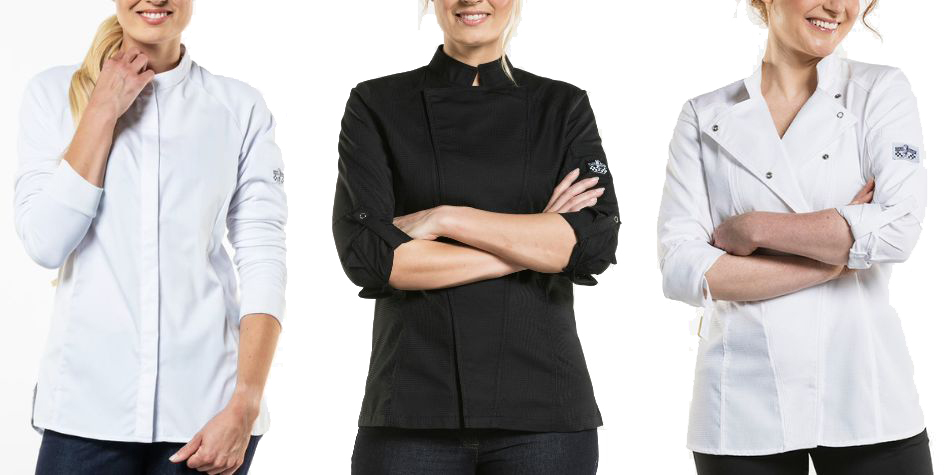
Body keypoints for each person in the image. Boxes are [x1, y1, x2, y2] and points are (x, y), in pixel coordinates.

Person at [332, 0, 620, 473]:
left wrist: (446, 220)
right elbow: (371, 258)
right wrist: (534, 245)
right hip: (412, 406)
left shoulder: (563, 105)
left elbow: (592, 244)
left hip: (544, 411)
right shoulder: (377, 103)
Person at [657, 0, 933, 473]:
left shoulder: (881, 91)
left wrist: (754, 228)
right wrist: (835, 257)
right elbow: (683, 268)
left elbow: (897, 231)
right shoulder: (705, 116)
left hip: (865, 391)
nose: (837, 6)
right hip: (742, 399)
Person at [15, 1, 287, 473]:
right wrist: (102, 110)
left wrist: (244, 404)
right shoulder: (51, 94)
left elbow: (263, 255)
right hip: (84, 410)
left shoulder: (238, 107)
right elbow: (45, 242)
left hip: (207, 416)